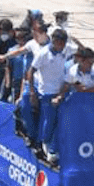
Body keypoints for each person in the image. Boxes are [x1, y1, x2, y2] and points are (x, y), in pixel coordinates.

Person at [25, 28, 71, 163]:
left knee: (61, 120)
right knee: (49, 120)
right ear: (55, 41)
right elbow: (31, 71)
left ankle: (53, 147)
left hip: (62, 91)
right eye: (61, 44)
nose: (63, 47)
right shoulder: (43, 54)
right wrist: (32, 91)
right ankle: (44, 144)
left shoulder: (65, 50)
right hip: (47, 92)